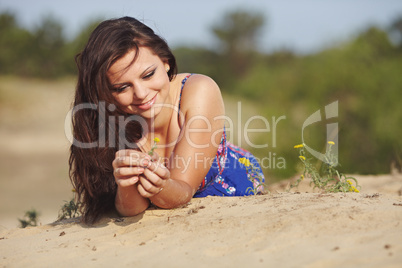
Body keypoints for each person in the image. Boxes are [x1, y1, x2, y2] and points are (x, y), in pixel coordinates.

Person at [69, 16, 265, 224]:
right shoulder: (110, 121)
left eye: (148, 75)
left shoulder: (198, 91)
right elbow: (131, 210)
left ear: (166, 62)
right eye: (122, 87)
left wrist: (160, 187)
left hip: (233, 189)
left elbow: (183, 190)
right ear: (105, 92)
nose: (141, 93)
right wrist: (126, 184)